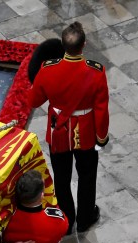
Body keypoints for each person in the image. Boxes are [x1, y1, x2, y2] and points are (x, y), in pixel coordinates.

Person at [28, 21, 109, 232]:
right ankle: (84, 219)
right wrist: (101, 137)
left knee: (62, 178)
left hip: (58, 131)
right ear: (84, 45)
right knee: (87, 176)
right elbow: (101, 109)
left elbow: (34, 101)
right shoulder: (96, 72)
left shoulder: (47, 69)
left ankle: (66, 220)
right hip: (86, 131)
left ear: (63, 45)